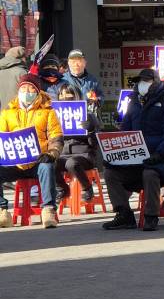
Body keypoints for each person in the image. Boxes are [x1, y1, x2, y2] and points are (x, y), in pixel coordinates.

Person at [102, 68, 164, 232]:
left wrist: (159, 154)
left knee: (150, 173)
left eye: (146, 81)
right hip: (136, 159)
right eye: (140, 81)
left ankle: (151, 216)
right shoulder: (133, 103)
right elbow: (125, 133)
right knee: (110, 173)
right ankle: (124, 214)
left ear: (156, 82)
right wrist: (113, 154)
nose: (142, 84)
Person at [0, 73, 63, 229]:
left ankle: (48, 209)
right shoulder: (7, 113)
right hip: (15, 163)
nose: (27, 92)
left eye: (30, 89)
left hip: (38, 161)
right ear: (19, 91)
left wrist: (51, 154)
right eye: (23, 89)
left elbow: (56, 137)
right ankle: (2, 211)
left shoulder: (48, 112)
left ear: (37, 92)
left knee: (47, 168)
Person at [54, 85, 98, 202]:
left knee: (71, 163)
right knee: (50, 163)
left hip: (84, 155)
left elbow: (95, 145)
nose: (64, 98)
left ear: (76, 96)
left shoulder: (88, 116)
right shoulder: (55, 117)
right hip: (63, 154)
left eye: (68, 95)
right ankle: (62, 188)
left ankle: (87, 188)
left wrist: (91, 131)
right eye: (61, 95)